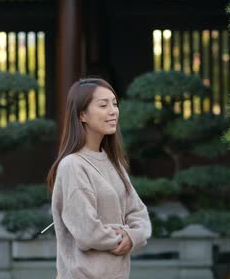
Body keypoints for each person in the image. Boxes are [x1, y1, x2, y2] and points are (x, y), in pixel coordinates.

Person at [46, 78, 151, 279]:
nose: (113, 111)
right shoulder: (72, 166)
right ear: (82, 114)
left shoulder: (114, 163)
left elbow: (139, 214)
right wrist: (126, 235)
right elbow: (88, 232)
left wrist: (133, 236)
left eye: (114, 103)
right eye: (103, 105)